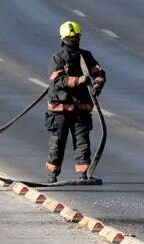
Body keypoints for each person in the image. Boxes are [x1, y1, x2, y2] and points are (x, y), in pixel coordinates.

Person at [45, 21, 105, 183]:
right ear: (63, 38)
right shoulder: (58, 58)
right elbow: (58, 79)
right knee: (57, 142)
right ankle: (52, 174)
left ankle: (83, 173)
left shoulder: (86, 56)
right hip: (60, 110)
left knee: (82, 142)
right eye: (70, 38)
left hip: (81, 109)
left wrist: (98, 84)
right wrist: (78, 80)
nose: (74, 41)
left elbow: (98, 72)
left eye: (76, 38)